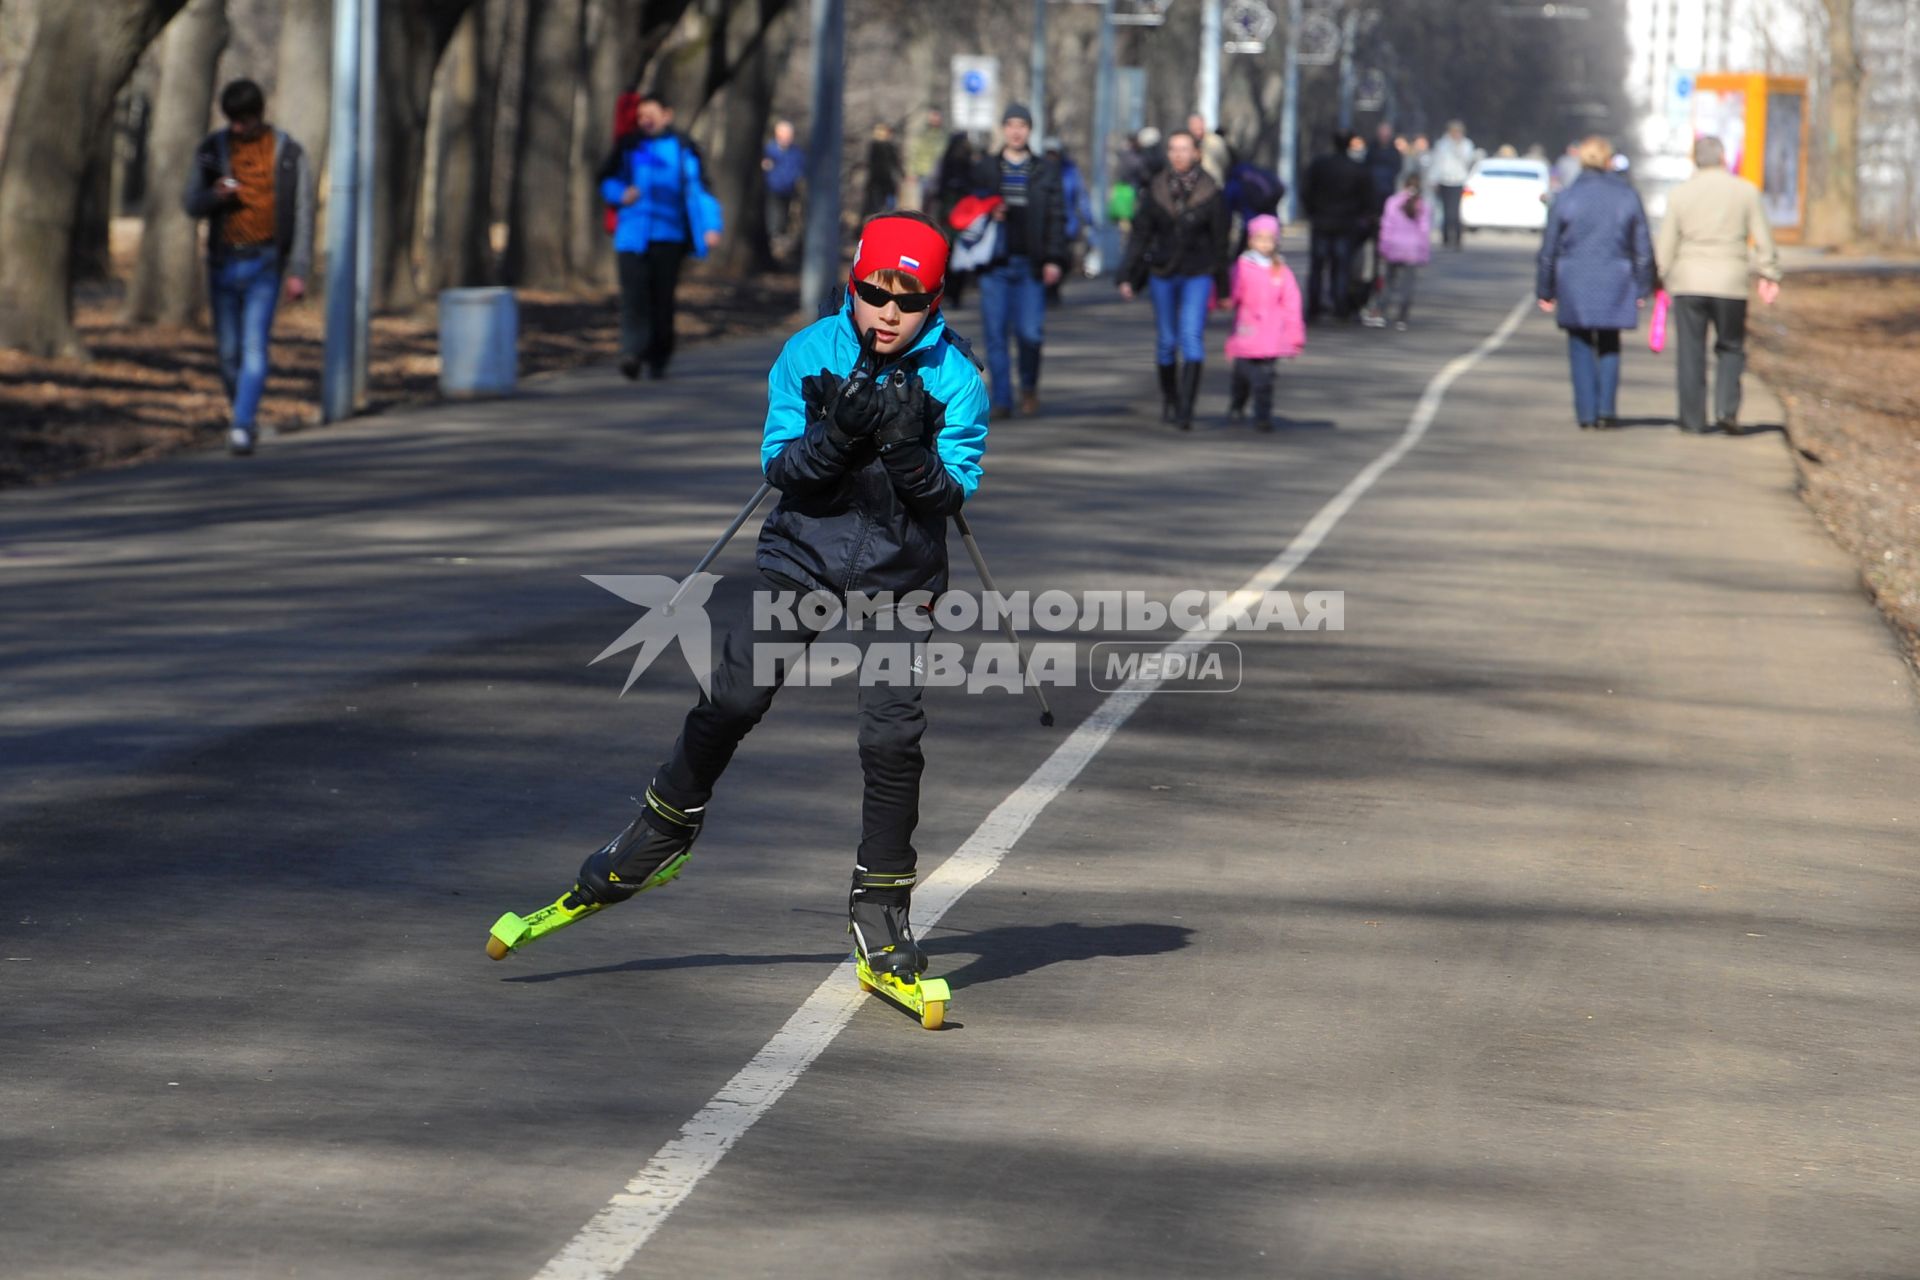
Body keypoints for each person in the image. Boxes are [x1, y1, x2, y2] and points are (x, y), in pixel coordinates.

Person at [545, 211, 987, 991]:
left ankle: (881, 907)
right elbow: (782, 470)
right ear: (851, 285)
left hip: (901, 574)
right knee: (735, 696)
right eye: (873, 292)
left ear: (935, 302)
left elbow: (952, 493)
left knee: (892, 739)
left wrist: (905, 449)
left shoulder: (957, 378)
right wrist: (842, 432)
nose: (887, 312)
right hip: (803, 559)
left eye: (908, 300)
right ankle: (662, 830)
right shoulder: (808, 355)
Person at [183, 78, 315, 456]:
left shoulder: (288, 153)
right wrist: (215, 195)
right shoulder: (212, 150)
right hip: (223, 262)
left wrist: (299, 270)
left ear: (258, 116)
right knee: (228, 352)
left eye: (243, 121)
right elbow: (191, 203)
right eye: (232, 121)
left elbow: (304, 211)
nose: (237, 128)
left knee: (254, 346)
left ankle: (241, 424)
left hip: (266, 262)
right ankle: (245, 412)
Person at [1656, 135, 1783, 435]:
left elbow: (1667, 243)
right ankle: (1726, 409)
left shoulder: (1680, 194)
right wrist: (1769, 273)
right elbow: (1763, 238)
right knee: (1731, 346)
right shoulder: (1746, 192)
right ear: (1724, 158)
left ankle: (1692, 419)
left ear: (1695, 160)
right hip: (1731, 282)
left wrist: (1659, 275)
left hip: (1688, 282)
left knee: (1691, 351)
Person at [598, 94, 723, 381]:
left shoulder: (682, 147)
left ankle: (659, 355)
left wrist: (710, 226)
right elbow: (606, 180)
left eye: (651, 114)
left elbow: (699, 190)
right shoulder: (629, 145)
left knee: (661, 300)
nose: (646, 120)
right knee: (633, 299)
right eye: (641, 116)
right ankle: (631, 353)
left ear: (667, 114)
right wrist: (620, 193)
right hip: (631, 237)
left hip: (669, 237)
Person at [1535, 135, 1655, 430]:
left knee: (1579, 344)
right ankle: (1606, 409)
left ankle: (1586, 413)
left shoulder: (1567, 197)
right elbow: (1642, 246)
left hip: (1574, 280)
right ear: (1608, 161)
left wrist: (1545, 289)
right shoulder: (1627, 195)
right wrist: (1642, 286)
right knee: (1610, 343)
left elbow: (1548, 249)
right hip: (1616, 278)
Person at [1118, 130, 1230, 431]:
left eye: (1185, 149)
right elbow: (1140, 235)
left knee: (1191, 338)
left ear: (1197, 153)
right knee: (1167, 341)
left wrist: (1224, 287)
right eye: (1173, 149)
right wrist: (1127, 275)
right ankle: (1170, 397)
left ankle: (1186, 409)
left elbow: (1221, 242)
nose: (1178, 155)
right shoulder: (1155, 190)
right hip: (1162, 272)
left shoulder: (1212, 192)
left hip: (1198, 272)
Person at [969, 103, 1068, 418]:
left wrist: (1054, 259)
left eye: (1022, 125)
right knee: (996, 334)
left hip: (1032, 265)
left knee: (1030, 333)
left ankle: (1028, 385)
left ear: (1030, 130)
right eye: (1010, 124)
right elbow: (965, 210)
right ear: (1003, 129)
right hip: (994, 264)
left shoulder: (1044, 170)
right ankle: (1001, 399)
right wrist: (987, 212)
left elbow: (1056, 217)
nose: (1015, 131)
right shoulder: (986, 167)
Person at [1221, 215, 1305, 433]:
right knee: (1243, 375)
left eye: (1270, 239)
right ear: (1251, 241)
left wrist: (1295, 335)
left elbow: (1292, 304)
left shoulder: (1281, 271)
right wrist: (1222, 301)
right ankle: (1237, 403)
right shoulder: (1242, 267)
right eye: (1260, 239)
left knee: (1264, 379)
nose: (1265, 244)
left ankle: (1262, 415)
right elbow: (1232, 293)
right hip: (1246, 332)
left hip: (1271, 335)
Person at [1300, 129, 1373, 323]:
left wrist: (1311, 212)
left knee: (1318, 266)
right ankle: (1340, 307)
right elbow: (1366, 199)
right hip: (1345, 223)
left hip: (1322, 221)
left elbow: (1306, 191)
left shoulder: (1320, 165)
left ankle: (1314, 306)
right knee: (1341, 266)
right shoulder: (1357, 169)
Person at [1376, 172, 1432, 330]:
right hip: (1412, 250)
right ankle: (1402, 317)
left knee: (1388, 282)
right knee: (1407, 285)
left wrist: (1383, 247)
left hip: (1393, 247)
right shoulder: (1422, 205)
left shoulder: (1392, 202)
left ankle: (1382, 311)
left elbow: (1386, 226)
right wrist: (1424, 253)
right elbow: (1424, 231)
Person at [760, 119, 805, 266]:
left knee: (786, 219)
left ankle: (782, 246)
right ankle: (774, 240)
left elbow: (802, 169)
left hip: (790, 190)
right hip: (772, 189)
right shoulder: (769, 150)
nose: (787, 138)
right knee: (774, 219)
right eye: (784, 134)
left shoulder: (796, 153)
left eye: (789, 135)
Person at [1429, 119, 1476, 250]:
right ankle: (1445, 237)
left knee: (1454, 211)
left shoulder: (1466, 145)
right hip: (1444, 180)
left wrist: (1458, 146)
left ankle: (1457, 237)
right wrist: (1433, 179)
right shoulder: (1442, 144)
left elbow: (1467, 160)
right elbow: (1437, 163)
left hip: (1458, 180)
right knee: (1445, 210)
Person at [863, 123, 903, 218]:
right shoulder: (874, 145)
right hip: (877, 179)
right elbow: (871, 163)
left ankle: (889, 216)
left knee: (888, 202)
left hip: (886, 179)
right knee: (877, 204)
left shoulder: (889, 146)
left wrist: (901, 173)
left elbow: (895, 161)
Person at [1187, 112, 1232, 185]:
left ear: (1203, 124)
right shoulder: (1187, 143)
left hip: (1215, 184)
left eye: (1198, 124)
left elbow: (1225, 162)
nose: (1196, 127)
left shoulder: (1215, 141)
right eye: (1193, 125)